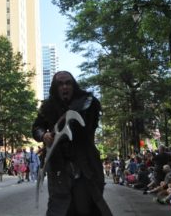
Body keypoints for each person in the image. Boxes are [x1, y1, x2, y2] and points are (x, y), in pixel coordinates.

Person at [32, 71, 112, 216]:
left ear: (73, 85)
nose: (64, 87)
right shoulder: (47, 106)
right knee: (60, 206)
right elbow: (36, 128)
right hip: (58, 164)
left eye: (68, 83)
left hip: (84, 161)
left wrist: (73, 112)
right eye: (60, 84)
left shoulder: (88, 102)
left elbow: (90, 124)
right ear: (55, 88)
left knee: (85, 205)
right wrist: (44, 135)